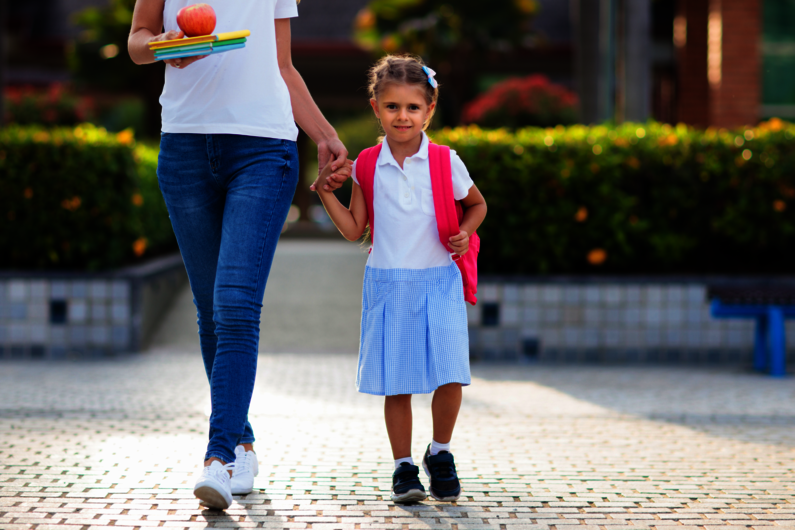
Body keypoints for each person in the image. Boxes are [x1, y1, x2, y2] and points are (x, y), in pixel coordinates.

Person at [127, 0, 350, 510]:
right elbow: (137, 40)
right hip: (183, 150)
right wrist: (162, 48)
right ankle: (243, 442)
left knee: (235, 305)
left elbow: (282, 65)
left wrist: (325, 134)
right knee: (210, 311)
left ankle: (218, 457)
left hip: (263, 149)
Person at [313, 55, 487, 503]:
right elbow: (355, 230)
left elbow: (477, 205)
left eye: (412, 107)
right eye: (392, 107)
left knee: (451, 373)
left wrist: (465, 235)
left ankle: (441, 452)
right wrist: (326, 193)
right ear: (376, 107)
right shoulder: (369, 165)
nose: (402, 116)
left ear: (429, 110)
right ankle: (403, 467)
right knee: (399, 381)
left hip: (439, 280)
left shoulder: (446, 161)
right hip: (389, 282)